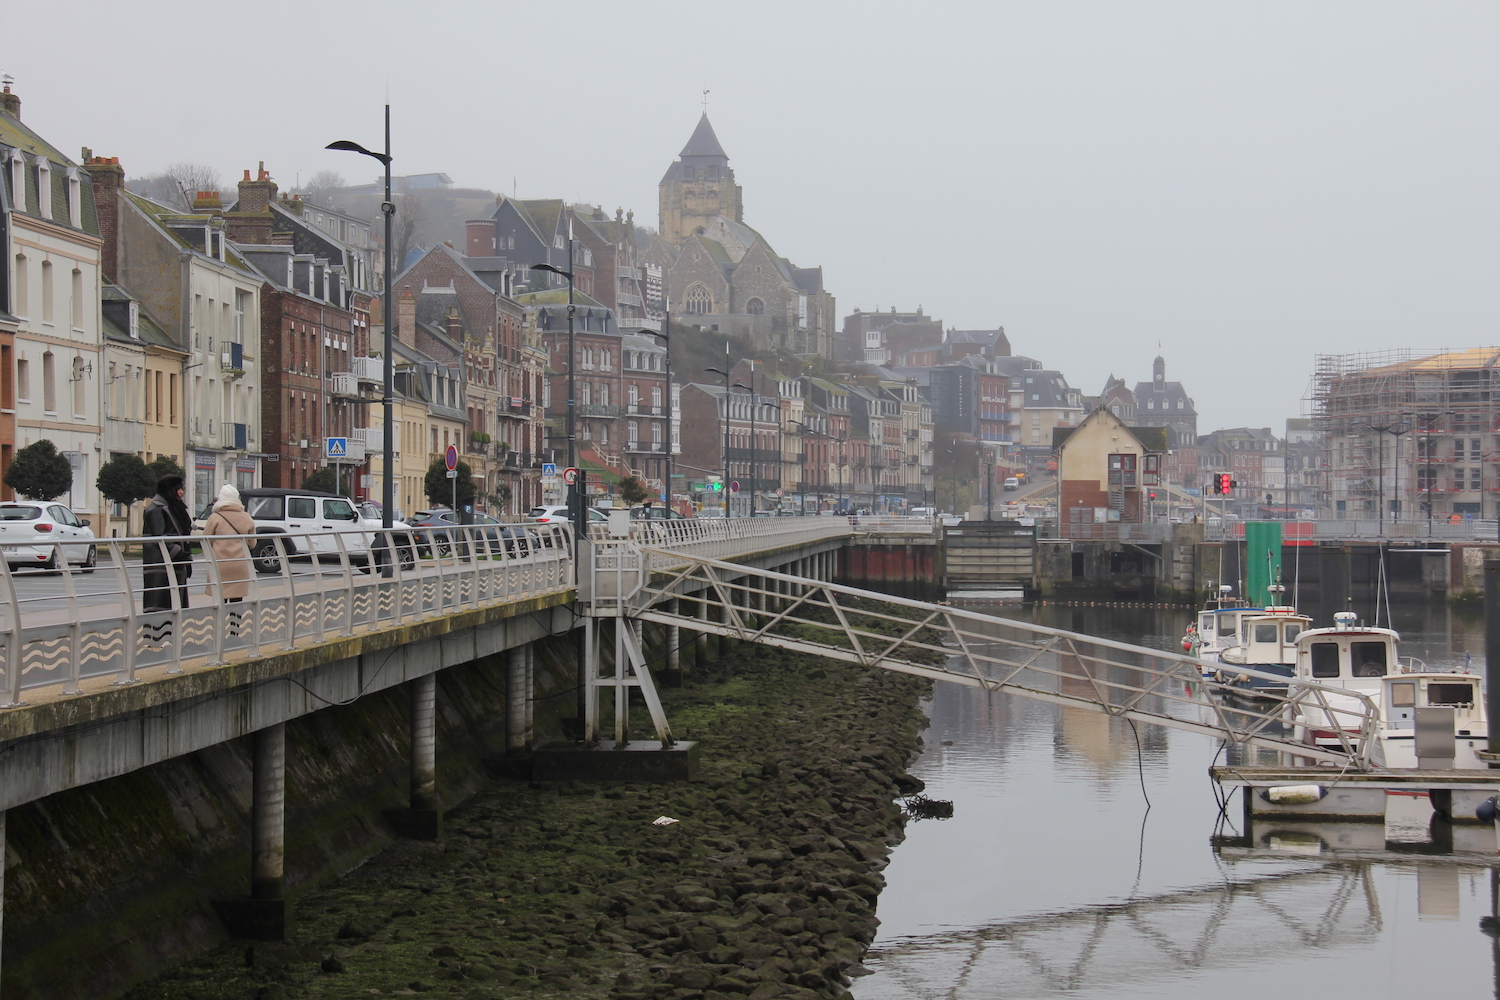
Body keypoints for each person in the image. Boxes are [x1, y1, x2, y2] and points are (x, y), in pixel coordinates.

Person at [203, 484, 255, 633]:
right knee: (236, 599)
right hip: (239, 565)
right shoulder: (246, 517)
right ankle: (234, 630)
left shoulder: (215, 517)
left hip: (220, 564)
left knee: (220, 600)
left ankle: (219, 630)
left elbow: (206, 540)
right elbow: (252, 543)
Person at [142, 475, 194, 614]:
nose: (182, 492)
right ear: (171, 490)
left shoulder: (173, 507)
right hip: (161, 566)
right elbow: (159, 537)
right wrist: (178, 553)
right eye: (179, 488)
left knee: (174, 606)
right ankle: (160, 634)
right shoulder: (156, 509)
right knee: (162, 606)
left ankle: (171, 633)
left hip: (174, 565)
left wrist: (186, 559)